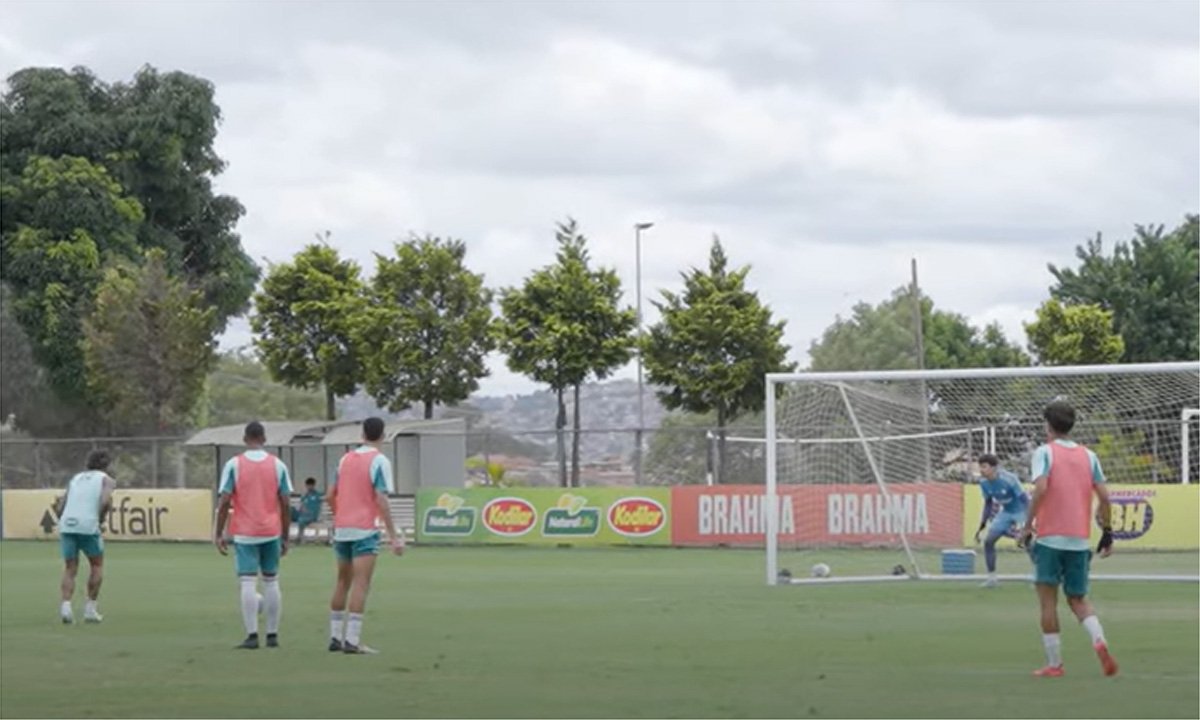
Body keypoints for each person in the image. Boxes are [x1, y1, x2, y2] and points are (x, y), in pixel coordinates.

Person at [1018, 399, 1118, 678]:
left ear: (1047, 424)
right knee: (1079, 599)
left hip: (1050, 539)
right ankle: (1099, 641)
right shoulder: (1089, 456)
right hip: (1079, 540)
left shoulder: (1044, 452)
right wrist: (1107, 532)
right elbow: (1106, 497)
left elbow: (1040, 489)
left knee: (1048, 602)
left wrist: (1028, 526)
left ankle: (1054, 664)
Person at [327, 417, 405, 654]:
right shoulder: (379, 460)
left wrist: (341, 515)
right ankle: (352, 640)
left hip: (342, 529)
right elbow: (381, 499)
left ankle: (334, 637)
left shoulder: (345, 459)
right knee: (361, 583)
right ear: (383, 436)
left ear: (362, 434)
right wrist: (393, 535)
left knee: (342, 581)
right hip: (364, 529)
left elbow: (331, 494)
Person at [213, 421, 292, 649]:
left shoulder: (234, 464)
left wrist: (219, 533)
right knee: (271, 580)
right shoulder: (278, 465)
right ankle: (273, 634)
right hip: (271, 530)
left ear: (245, 439)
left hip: (245, 531)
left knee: (247, 581)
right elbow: (286, 503)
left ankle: (251, 635)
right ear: (264, 439)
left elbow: (225, 499)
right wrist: (286, 536)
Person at [56, 450, 117, 624]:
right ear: (106, 464)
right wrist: (99, 519)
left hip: (68, 524)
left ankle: (66, 609)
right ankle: (90, 610)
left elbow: (61, 504)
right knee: (97, 565)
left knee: (70, 568)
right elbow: (105, 501)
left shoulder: (75, 478)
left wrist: (63, 520)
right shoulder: (106, 480)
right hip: (88, 525)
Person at [973, 454, 1030, 588]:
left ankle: (1039, 576)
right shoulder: (983, 483)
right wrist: (982, 524)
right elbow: (988, 503)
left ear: (994, 468)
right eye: (980, 467)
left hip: (1020, 511)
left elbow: (1024, 500)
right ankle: (992, 579)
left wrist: (1028, 521)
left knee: (1028, 543)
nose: (981, 470)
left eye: (984, 467)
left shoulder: (1009, 479)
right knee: (989, 541)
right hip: (1006, 512)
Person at [294, 477, 324, 544]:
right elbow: (301, 504)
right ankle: (299, 537)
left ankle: (299, 537)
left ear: (313, 485)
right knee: (293, 513)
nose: (309, 487)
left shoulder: (317, 495)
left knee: (301, 520)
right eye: (307, 485)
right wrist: (301, 508)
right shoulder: (305, 495)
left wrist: (318, 515)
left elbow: (318, 507)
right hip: (304, 515)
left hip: (312, 516)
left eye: (310, 485)